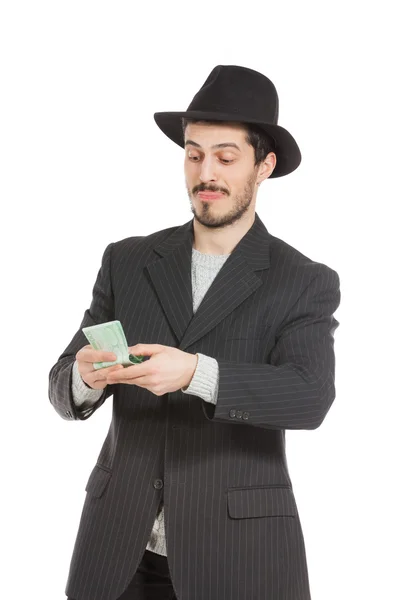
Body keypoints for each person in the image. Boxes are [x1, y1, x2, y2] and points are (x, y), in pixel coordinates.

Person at [49, 64, 341, 600]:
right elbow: (63, 383)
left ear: (264, 165)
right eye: (193, 153)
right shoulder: (127, 260)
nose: (206, 172)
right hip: (117, 550)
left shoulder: (303, 281)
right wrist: (84, 379)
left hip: (238, 557)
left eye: (226, 157)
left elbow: (309, 397)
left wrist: (197, 374)